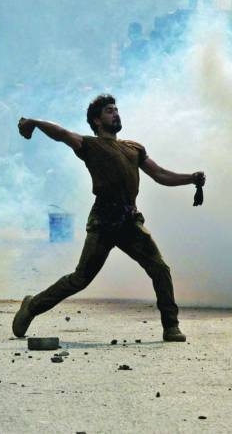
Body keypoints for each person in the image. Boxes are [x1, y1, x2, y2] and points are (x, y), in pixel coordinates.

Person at [12, 94, 206, 342]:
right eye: (109, 111)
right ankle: (32, 306)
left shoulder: (134, 148)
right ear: (96, 120)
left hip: (130, 221)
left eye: (116, 110)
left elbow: (159, 174)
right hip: (104, 220)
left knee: (159, 268)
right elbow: (61, 133)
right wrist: (34, 122)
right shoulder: (89, 145)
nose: (116, 114)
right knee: (80, 279)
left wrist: (190, 179)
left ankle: (171, 326)